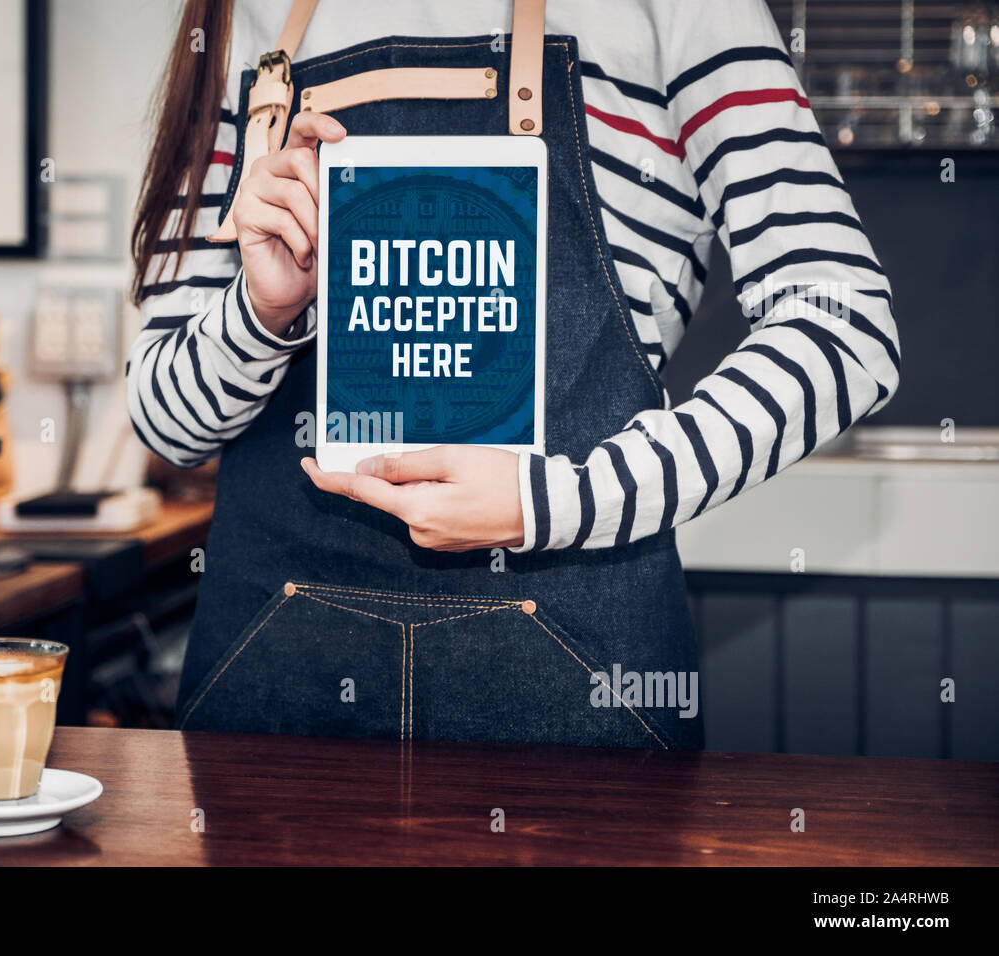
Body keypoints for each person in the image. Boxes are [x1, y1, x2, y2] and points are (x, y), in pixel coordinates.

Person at [126, 0, 900, 748]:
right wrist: (266, 311)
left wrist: (548, 502)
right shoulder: (247, 17)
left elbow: (845, 326)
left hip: (577, 671)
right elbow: (168, 424)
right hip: (273, 674)